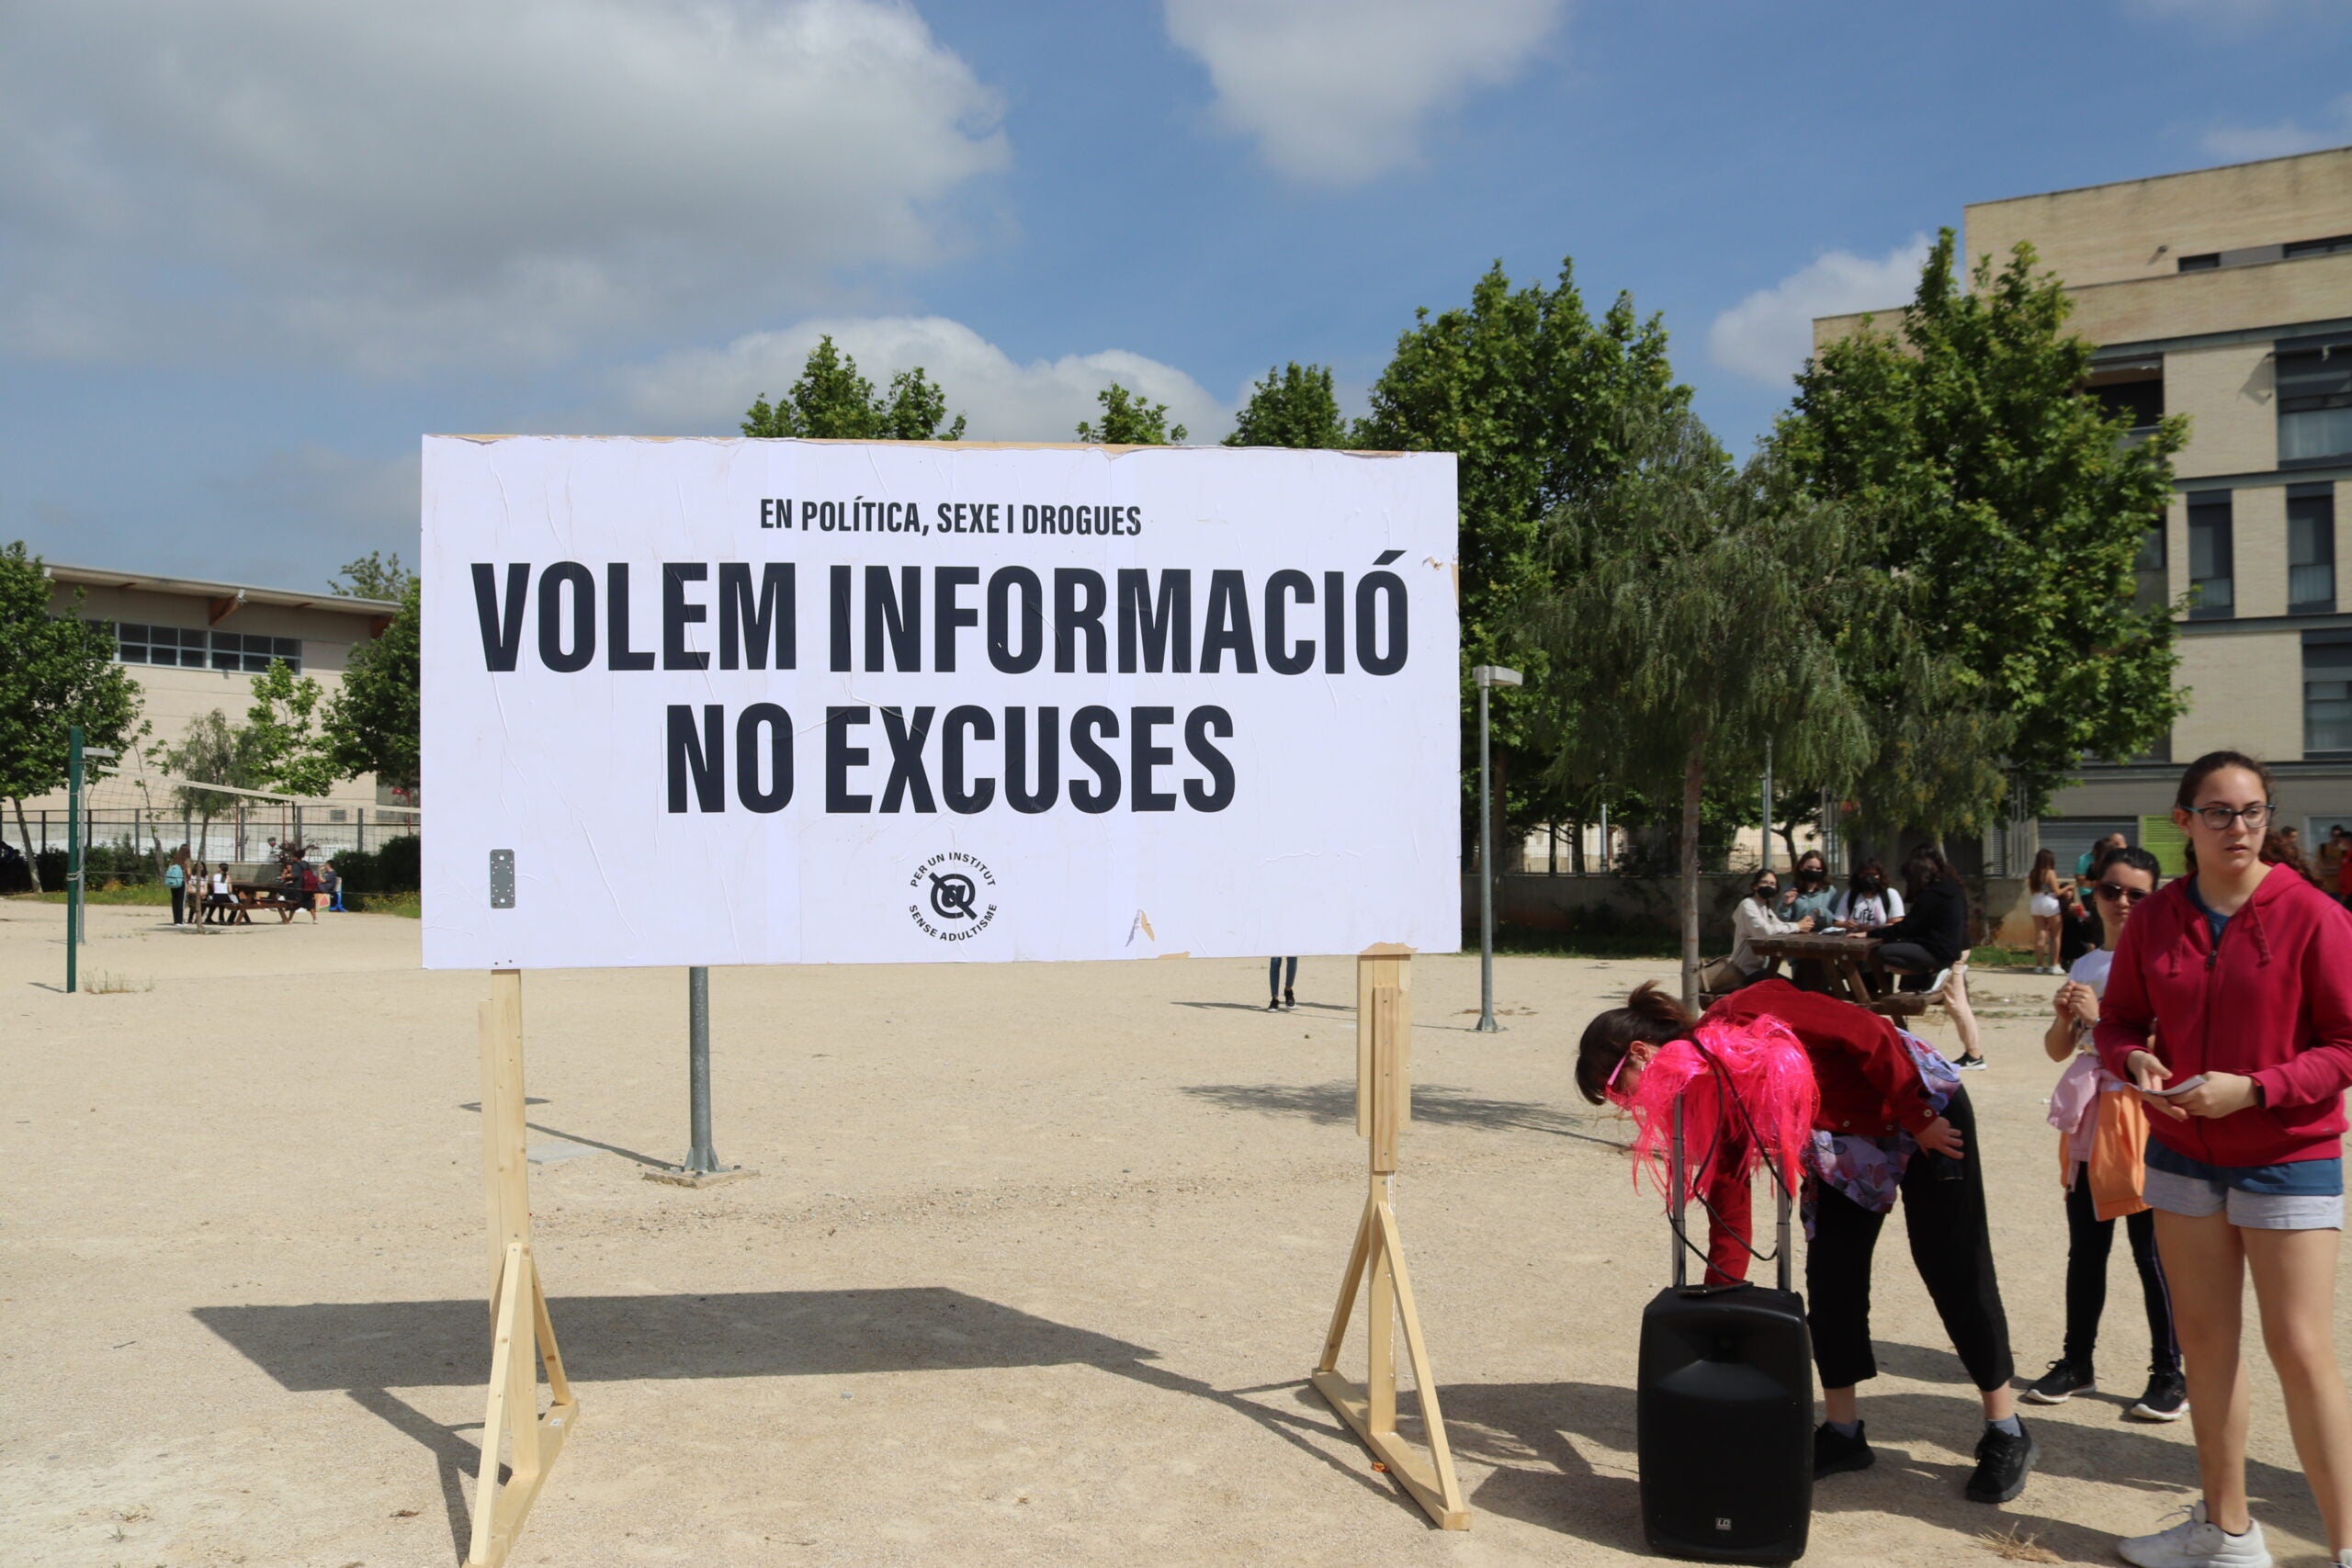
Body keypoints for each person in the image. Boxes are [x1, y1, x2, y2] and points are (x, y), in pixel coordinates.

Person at [1576, 978, 2035, 1505]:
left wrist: (1920, 1117)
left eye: (1617, 1087)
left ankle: (2005, 1430)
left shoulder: (1744, 1011)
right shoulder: (1702, 1088)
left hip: (1919, 1104)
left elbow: (1866, 1032)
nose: (1624, 1103)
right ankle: (1844, 1434)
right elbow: (1728, 1188)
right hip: (1844, 1136)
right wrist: (1721, 1296)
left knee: (1952, 1263)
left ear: (1640, 1051)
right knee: (1833, 1280)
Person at [2098, 750, 2352, 1568]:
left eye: (2250, 811)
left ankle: (2346, 1546)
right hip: (2181, 1156)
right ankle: (2229, 1531)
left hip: (2288, 1153)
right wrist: (2133, 1060)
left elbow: (2347, 1045)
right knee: (2205, 1346)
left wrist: (2258, 1090)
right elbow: (2119, 1021)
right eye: (2217, 811)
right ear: (2184, 822)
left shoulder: (2313, 913)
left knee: (2301, 1349)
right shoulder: (2157, 916)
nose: (2237, 826)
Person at [2022, 845, 2184, 1421]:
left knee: (2151, 1251)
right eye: (2112, 891)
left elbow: (2169, 1052)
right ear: (2093, 893)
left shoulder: (2166, 964)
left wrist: (2098, 1017)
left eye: (2137, 895)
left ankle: (2169, 1373)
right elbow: (2056, 1049)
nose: (2122, 903)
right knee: (2085, 1248)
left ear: (2155, 900)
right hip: (2091, 1116)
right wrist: (2068, 1017)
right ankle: (2077, 1363)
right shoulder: (2086, 963)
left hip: (2139, 1115)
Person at [1872, 845, 1985, 1069]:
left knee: (1957, 1004)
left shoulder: (1935, 893)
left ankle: (1974, 1055)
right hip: (1957, 947)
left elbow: (1911, 926)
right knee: (1956, 1004)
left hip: (1950, 952)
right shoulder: (1951, 886)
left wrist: (1872, 933)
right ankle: (1974, 1054)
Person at [1730, 868, 1815, 983]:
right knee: (1789, 988)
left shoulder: (1765, 908)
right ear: (1755, 886)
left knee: (1802, 977)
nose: (1768, 886)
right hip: (1743, 972)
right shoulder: (1748, 904)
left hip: (1760, 968)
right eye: (1764, 882)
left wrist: (1803, 925)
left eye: (1772, 884)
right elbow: (1765, 931)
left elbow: (1779, 926)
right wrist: (1797, 926)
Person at [1832, 862, 1904, 930]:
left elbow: (1897, 923)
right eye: (1865, 874)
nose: (1869, 878)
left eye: (1874, 874)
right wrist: (1846, 925)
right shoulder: (1850, 895)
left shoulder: (1890, 894)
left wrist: (1874, 928)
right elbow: (1837, 922)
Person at [2027, 849, 2064, 976]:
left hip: (2036, 901)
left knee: (2040, 934)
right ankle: (2053, 965)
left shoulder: (2033, 873)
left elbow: (2032, 891)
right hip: (2049, 901)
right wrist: (2069, 888)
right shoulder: (2050, 873)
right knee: (2055, 935)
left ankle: (2038, 966)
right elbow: (2058, 892)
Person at [1780, 851, 1839, 926]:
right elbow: (1781, 920)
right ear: (1801, 867)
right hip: (1796, 934)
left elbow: (1835, 920)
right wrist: (1785, 906)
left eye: (1818, 869)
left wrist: (1822, 913)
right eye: (1810, 868)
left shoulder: (1829, 891)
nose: (1814, 871)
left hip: (1821, 935)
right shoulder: (1791, 889)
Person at [164, 846, 188, 926]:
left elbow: (169, 868)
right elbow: (189, 873)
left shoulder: (174, 860)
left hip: (173, 882)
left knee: (175, 901)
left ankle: (176, 921)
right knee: (181, 901)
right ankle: (180, 921)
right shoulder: (185, 861)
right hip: (181, 882)